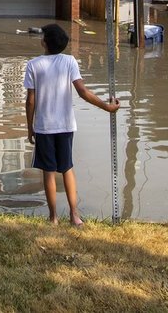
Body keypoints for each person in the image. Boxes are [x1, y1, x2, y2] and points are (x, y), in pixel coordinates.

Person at [24, 23, 119, 226]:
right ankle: (74, 215)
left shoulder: (33, 65)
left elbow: (30, 100)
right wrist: (106, 107)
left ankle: (53, 218)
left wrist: (29, 127)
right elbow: (83, 93)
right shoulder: (70, 62)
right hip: (66, 126)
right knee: (67, 168)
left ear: (43, 43)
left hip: (44, 127)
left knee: (48, 172)